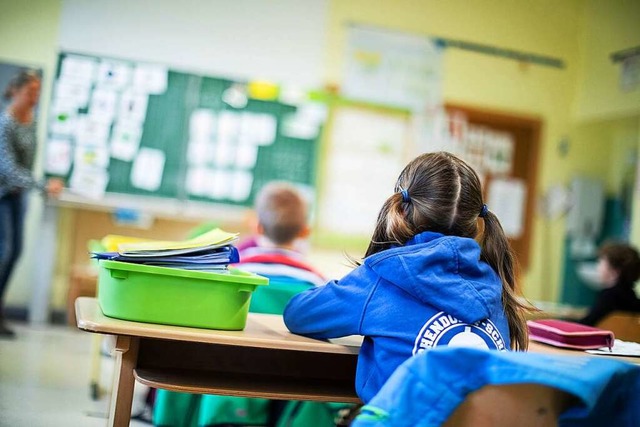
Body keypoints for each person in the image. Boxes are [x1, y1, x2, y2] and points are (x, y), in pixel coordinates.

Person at [283, 151, 532, 404]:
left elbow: (298, 314)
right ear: (476, 221)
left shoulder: (382, 277)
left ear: (401, 209)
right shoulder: (494, 284)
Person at [0, 70, 63, 338]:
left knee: (14, 253)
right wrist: (42, 185)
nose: (34, 98)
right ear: (15, 91)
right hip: (2, 195)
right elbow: (8, 168)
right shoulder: (5, 123)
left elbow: (27, 163)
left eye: (37, 93)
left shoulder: (31, 120)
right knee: (5, 253)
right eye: (30, 93)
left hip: (17, 196)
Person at [579, 242, 640, 326]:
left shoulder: (608, 296)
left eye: (601, 263)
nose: (598, 267)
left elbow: (586, 325)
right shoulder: (634, 299)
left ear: (615, 272)